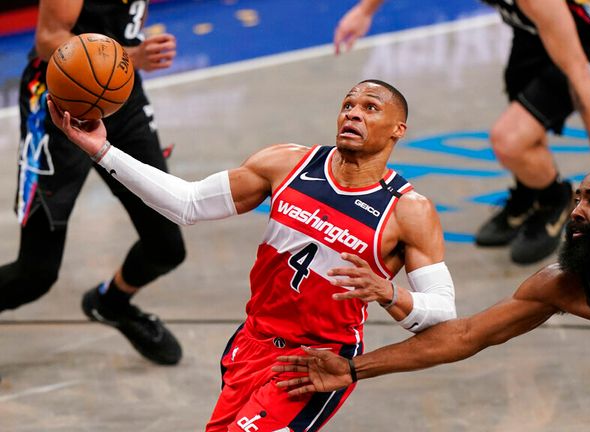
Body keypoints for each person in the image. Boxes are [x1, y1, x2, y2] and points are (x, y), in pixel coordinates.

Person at [47, 79, 457, 431]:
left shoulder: (407, 211)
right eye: (348, 104)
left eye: (370, 108)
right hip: (251, 343)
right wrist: (102, 151)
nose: (353, 113)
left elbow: (441, 313)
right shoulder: (288, 164)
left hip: (313, 363)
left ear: (397, 129)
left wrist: (389, 293)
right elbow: (188, 204)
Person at [274, 165, 590, 432]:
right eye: (576, 199)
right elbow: (465, 336)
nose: (576, 211)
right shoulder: (566, 285)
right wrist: (355, 368)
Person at [334, 0, 590, 264]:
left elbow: (578, 72)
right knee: (523, 111)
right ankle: (530, 194)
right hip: (535, 30)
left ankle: (554, 200)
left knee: (510, 140)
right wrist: (364, 10)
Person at [2, 0, 183, 365]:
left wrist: (130, 54)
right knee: (36, 274)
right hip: (59, 104)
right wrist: (131, 56)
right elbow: (49, 37)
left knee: (166, 247)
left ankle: (110, 302)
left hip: (120, 99)